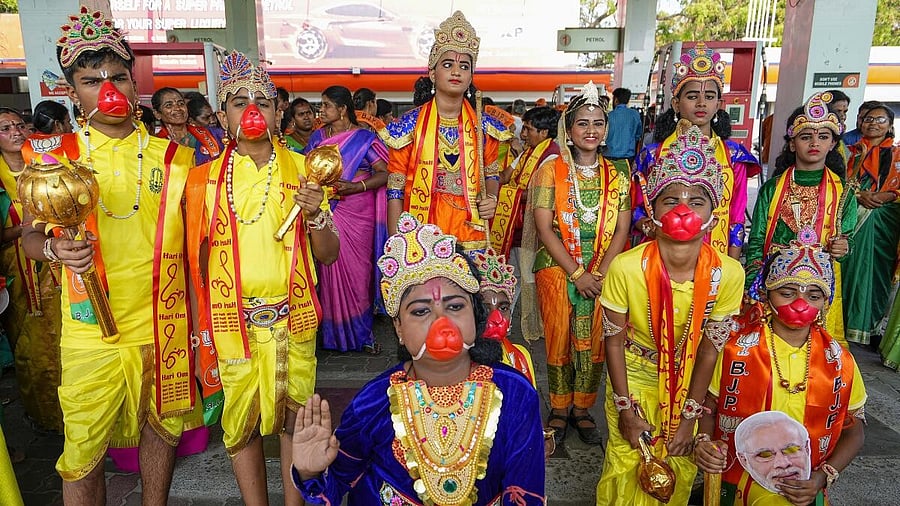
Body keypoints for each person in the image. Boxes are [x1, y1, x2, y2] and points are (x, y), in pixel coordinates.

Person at [19, 8, 197, 503]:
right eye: (91, 80)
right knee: (83, 452)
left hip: (163, 320)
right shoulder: (53, 155)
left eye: (118, 76)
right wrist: (54, 247)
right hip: (89, 329)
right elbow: (31, 238)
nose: (108, 88)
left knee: (162, 433)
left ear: (134, 82)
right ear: (73, 90)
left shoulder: (175, 158)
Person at [290, 213, 545, 504]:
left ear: (476, 316)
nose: (441, 321)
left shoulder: (514, 392)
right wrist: (311, 473)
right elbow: (337, 485)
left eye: (455, 306)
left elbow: (525, 492)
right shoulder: (373, 403)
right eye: (421, 311)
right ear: (398, 327)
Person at [185, 50, 339, 506]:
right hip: (233, 324)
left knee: (297, 418)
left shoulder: (304, 170)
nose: (251, 110)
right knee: (241, 423)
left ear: (277, 112)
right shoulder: (202, 180)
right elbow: (195, 262)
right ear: (222, 112)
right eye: (238, 102)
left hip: (293, 319)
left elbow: (328, 256)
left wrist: (315, 216)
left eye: (262, 102)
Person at [596, 125, 745, 505]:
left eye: (697, 201)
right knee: (627, 464)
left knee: (678, 467)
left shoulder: (728, 272)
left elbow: (710, 349)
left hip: (691, 379)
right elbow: (612, 341)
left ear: (713, 214)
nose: (683, 210)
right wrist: (625, 409)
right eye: (670, 199)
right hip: (634, 374)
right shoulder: (626, 267)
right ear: (653, 208)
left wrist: (692, 416)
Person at [695, 240, 866, 506]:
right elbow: (708, 408)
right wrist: (704, 442)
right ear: (766, 294)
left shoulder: (839, 361)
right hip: (741, 482)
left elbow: (854, 431)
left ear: (826, 302)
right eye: (787, 293)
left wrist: (822, 477)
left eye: (813, 295)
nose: (800, 303)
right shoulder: (735, 350)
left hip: (805, 486)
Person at [525, 82, 632, 448]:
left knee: (597, 344)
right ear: (568, 131)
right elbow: (543, 226)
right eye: (582, 122)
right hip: (557, 267)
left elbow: (622, 226)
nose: (590, 129)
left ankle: (583, 409)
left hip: (603, 270)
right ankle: (558, 405)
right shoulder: (549, 170)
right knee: (558, 340)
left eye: (598, 123)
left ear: (606, 129)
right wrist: (576, 272)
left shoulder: (619, 173)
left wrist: (599, 272)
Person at [380, 11, 513, 252]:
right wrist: (397, 247)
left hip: (471, 232)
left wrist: (492, 198)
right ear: (433, 73)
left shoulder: (485, 127)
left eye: (464, 66)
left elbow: (492, 174)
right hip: (420, 235)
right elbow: (395, 190)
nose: (456, 71)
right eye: (448, 64)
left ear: (471, 75)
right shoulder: (408, 127)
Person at [744, 92, 855, 347]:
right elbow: (758, 238)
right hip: (777, 284)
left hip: (820, 287)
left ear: (832, 144)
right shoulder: (772, 189)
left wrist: (844, 247)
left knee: (817, 353)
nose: (814, 142)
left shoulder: (844, 192)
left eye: (823, 136)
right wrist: (753, 281)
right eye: (806, 136)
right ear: (793, 144)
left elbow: (849, 242)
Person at [635, 43, 760, 259]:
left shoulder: (734, 156)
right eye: (692, 96)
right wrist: (647, 225)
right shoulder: (654, 155)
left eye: (710, 97)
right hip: (663, 252)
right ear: (676, 103)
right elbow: (638, 207)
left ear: (719, 103)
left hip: (714, 255)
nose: (701, 103)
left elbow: (736, 216)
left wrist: (730, 269)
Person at [304, 85, 388, 353]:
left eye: (327, 105)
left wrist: (357, 187)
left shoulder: (364, 138)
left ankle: (362, 334)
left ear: (342, 109)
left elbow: (384, 173)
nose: (322, 110)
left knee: (358, 274)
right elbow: (304, 169)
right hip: (327, 209)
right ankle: (333, 336)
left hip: (358, 211)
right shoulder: (318, 137)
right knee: (328, 272)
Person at [0, 107, 64, 433]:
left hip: (55, 264)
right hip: (18, 272)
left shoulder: (44, 166)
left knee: (65, 339)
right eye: (5, 128)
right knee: (30, 346)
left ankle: (74, 411)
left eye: (19, 125)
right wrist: (29, 228)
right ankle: (43, 416)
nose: (15, 131)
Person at [842, 103, 900, 345]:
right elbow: (840, 184)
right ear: (860, 123)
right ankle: (843, 321)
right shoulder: (848, 152)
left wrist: (884, 196)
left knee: (875, 271)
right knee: (850, 265)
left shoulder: (897, 155)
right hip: (852, 213)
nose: (873, 123)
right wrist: (860, 196)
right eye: (868, 119)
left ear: (889, 126)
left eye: (880, 119)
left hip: (884, 219)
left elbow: (896, 188)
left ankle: (869, 325)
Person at [491, 106, 560, 259]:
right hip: (514, 219)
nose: (523, 135)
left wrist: (503, 192)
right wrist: (485, 175)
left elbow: (538, 194)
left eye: (528, 130)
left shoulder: (552, 158)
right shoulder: (528, 152)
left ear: (544, 132)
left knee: (526, 274)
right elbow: (504, 176)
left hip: (532, 227)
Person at [472, 247, 536, 386]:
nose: (496, 319)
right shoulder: (452, 367)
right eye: (484, 308)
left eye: (503, 308)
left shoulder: (521, 356)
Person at [151, 87, 222, 165]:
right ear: (157, 114)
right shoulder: (157, 144)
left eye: (181, 103)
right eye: (169, 105)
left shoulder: (212, 134)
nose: (178, 108)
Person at [605, 87, 642, 162]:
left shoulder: (608, 116)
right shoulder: (635, 114)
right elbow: (638, 135)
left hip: (609, 155)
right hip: (628, 156)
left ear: (616, 100)